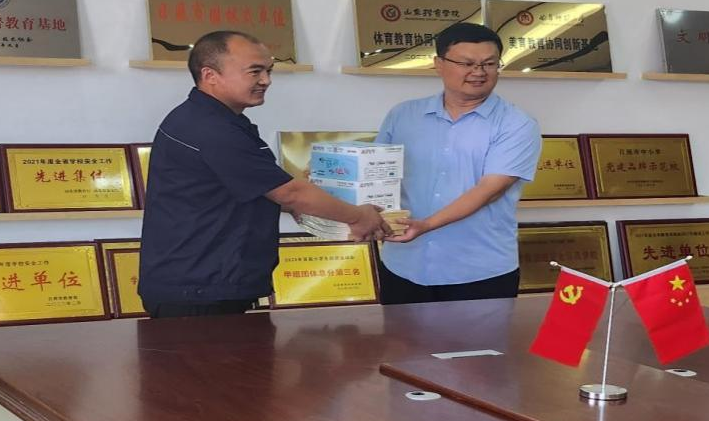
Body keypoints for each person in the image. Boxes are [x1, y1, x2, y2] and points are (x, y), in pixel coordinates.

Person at [139, 30, 391, 319]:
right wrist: (358, 216)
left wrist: (319, 199)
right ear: (210, 75)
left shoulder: (216, 121)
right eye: (255, 71)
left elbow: (259, 189)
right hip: (198, 291)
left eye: (268, 71)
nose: (266, 81)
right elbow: (289, 193)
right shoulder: (210, 129)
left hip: (209, 283)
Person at [378, 23, 542, 305]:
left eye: (489, 64)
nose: (479, 72)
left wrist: (427, 225)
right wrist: (331, 177)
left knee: (481, 338)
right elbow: (377, 172)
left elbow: (490, 190)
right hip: (403, 265)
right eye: (467, 63)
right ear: (438, 64)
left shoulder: (517, 124)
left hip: (478, 271)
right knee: (399, 337)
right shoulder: (403, 115)